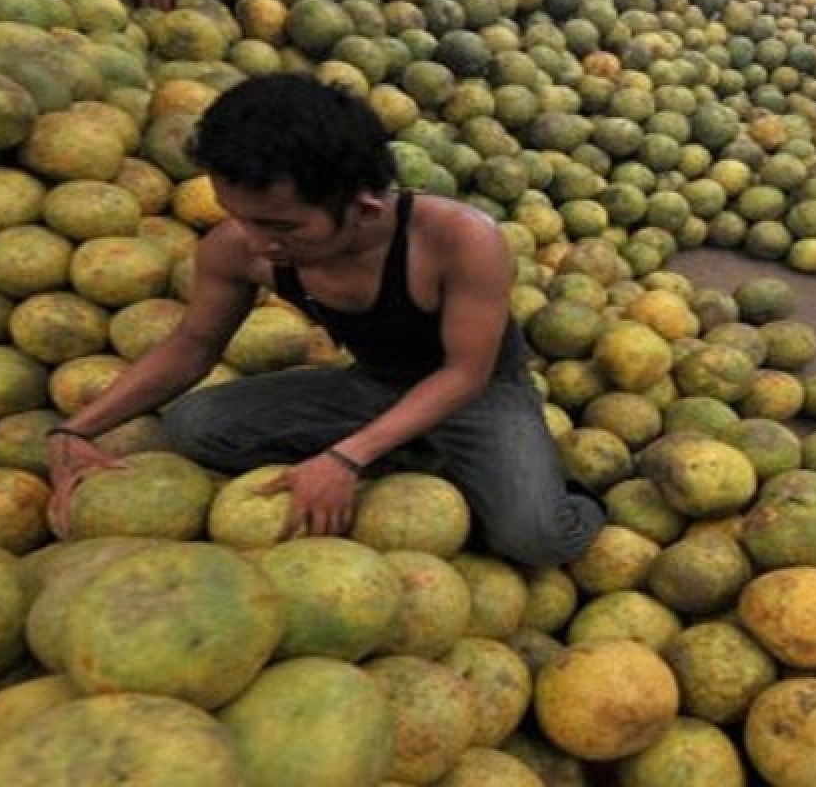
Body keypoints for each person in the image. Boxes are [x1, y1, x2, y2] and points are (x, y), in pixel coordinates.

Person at [46, 74, 606, 567]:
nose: (258, 242)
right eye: (238, 216)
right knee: (194, 425)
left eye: (281, 228)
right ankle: (405, 450)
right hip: (372, 387)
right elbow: (193, 344)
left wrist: (346, 455)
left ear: (362, 211)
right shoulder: (239, 248)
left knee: (534, 538)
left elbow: (466, 373)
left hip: (479, 393)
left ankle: (564, 493)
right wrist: (77, 429)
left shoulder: (459, 240)